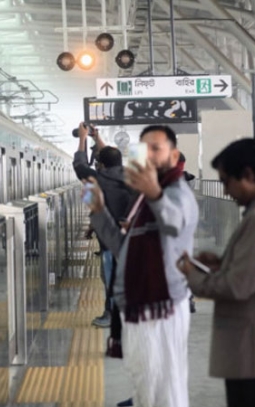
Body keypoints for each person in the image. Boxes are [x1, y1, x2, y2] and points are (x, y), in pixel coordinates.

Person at [178, 139, 255, 407]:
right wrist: (224, 263)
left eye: (226, 181)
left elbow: (236, 287)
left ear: (247, 174)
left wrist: (191, 273)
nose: (225, 190)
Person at [86, 125, 198, 407]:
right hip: (138, 305)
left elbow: (174, 224)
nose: (148, 156)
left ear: (173, 156)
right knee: (146, 381)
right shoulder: (142, 200)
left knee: (165, 387)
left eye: (156, 149)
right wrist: (98, 212)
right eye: (143, 149)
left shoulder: (178, 193)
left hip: (162, 306)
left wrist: (156, 195)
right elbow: (122, 247)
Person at [73, 123, 134, 331]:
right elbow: (111, 158)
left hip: (109, 240)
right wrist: (97, 138)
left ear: (101, 163)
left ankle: (111, 314)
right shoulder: (132, 177)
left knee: (110, 276)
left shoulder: (97, 179)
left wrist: (82, 138)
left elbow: (79, 165)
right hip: (132, 237)